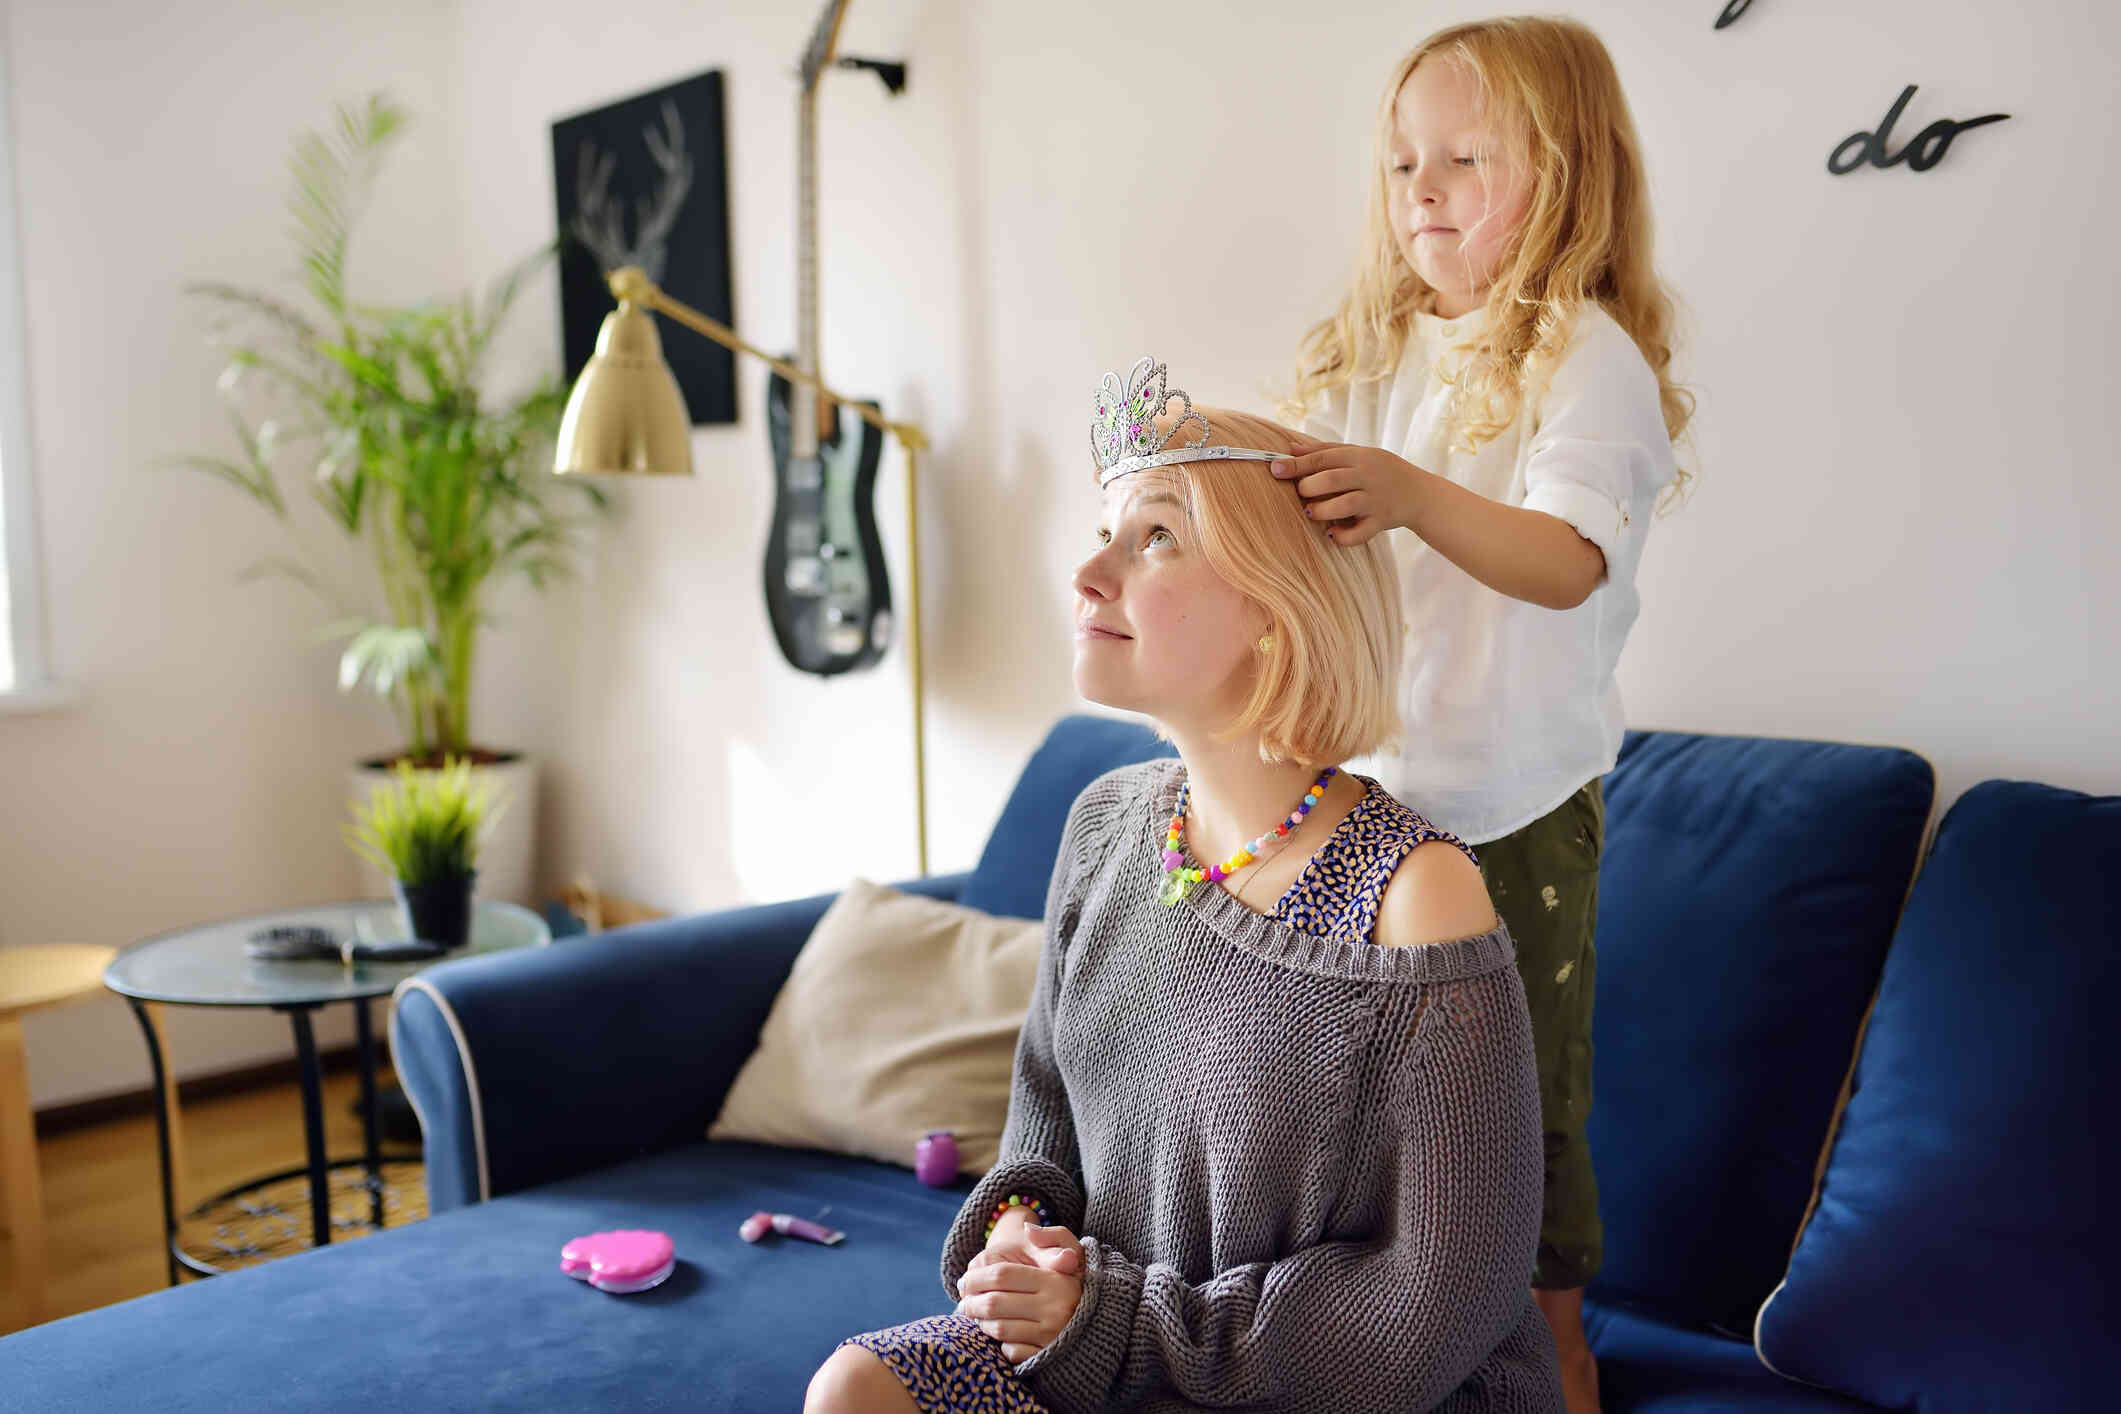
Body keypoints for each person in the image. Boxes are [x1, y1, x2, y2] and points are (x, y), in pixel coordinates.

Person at [806, 359, 1562, 1413]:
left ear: (1275, 605)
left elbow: (1437, 1305)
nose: (1089, 572)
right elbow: (1043, 1125)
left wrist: (1114, 1320)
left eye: (1154, 535)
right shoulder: (1107, 824)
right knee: (859, 1389)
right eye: (1106, 529)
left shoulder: (1416, 898)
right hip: (1105, 1351)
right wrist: (1020, 1235)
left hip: (1328, 1391)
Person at [1271, 19, 1694, 1412]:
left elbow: (1566, 558)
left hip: (1510, 807)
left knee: (1516, 1100)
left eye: (1464, 158)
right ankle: (1389, 1333)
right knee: (1360, 1098)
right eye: (1403, 162)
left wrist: (1403, 488)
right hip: (1363, 804)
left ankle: (1559, 1336)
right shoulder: (1375, 345)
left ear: (1564, 177)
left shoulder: (1587, 358)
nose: (1423, 190)